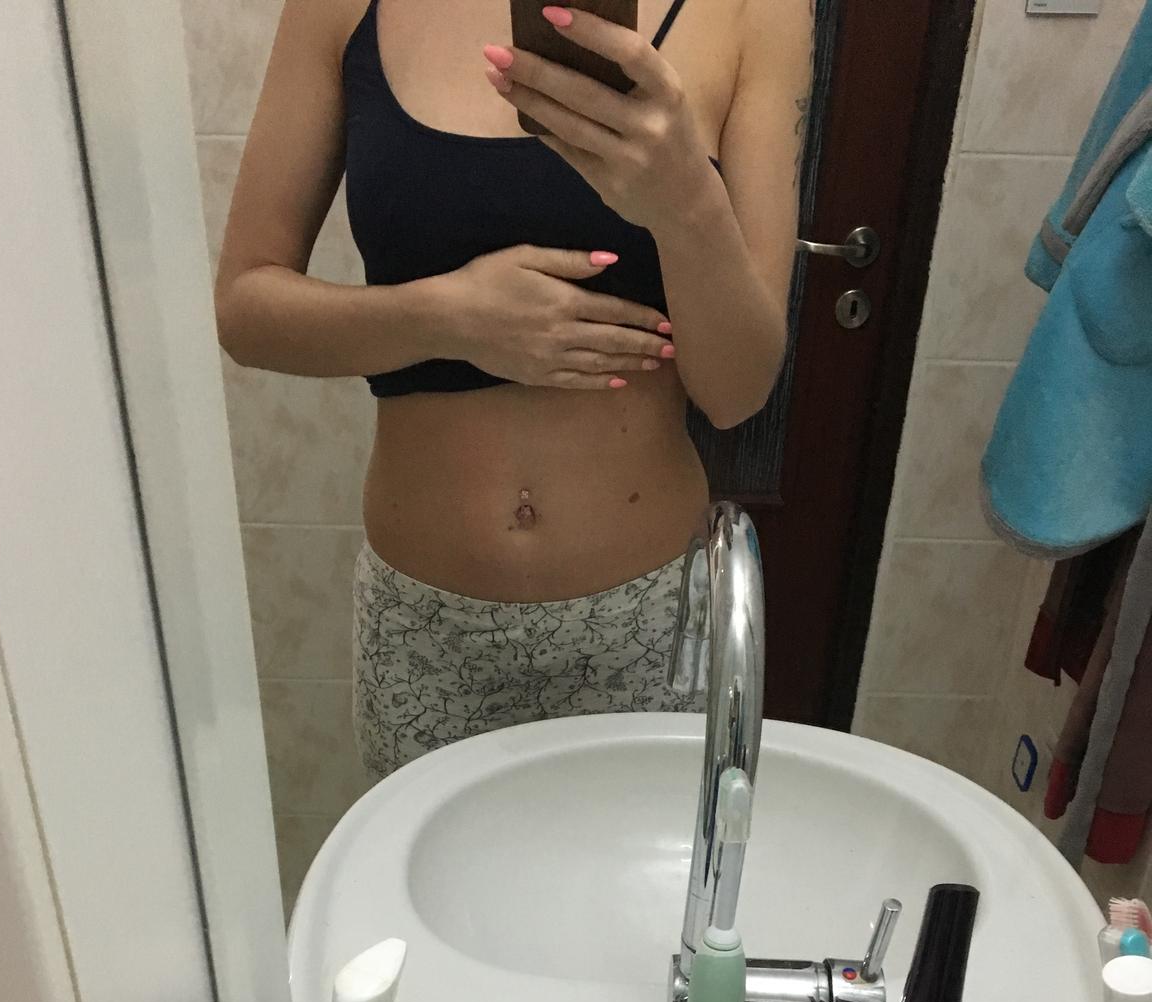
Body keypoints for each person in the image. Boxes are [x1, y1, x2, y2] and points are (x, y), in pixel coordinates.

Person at [216, 0, 813, 781]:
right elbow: (246, 310)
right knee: (422, 865)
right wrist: (446, 318)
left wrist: (686, 203)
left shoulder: (757, 11)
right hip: (425, 634)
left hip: (643, 625)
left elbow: (737, 392)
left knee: (636, 867)